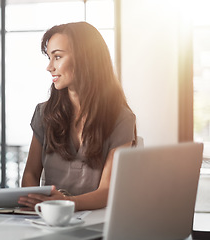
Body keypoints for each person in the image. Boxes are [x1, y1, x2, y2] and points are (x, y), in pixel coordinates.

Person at [19, 22, 137, 211]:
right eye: (49, 58)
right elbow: (30, 174)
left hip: (96, 222)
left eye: (57, 57)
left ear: (85, 58)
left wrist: (64, 205)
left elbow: (108, 190)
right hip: (49, 219)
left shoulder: (120, 118)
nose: (49, 67)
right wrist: (34, 202)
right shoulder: (44, 113)